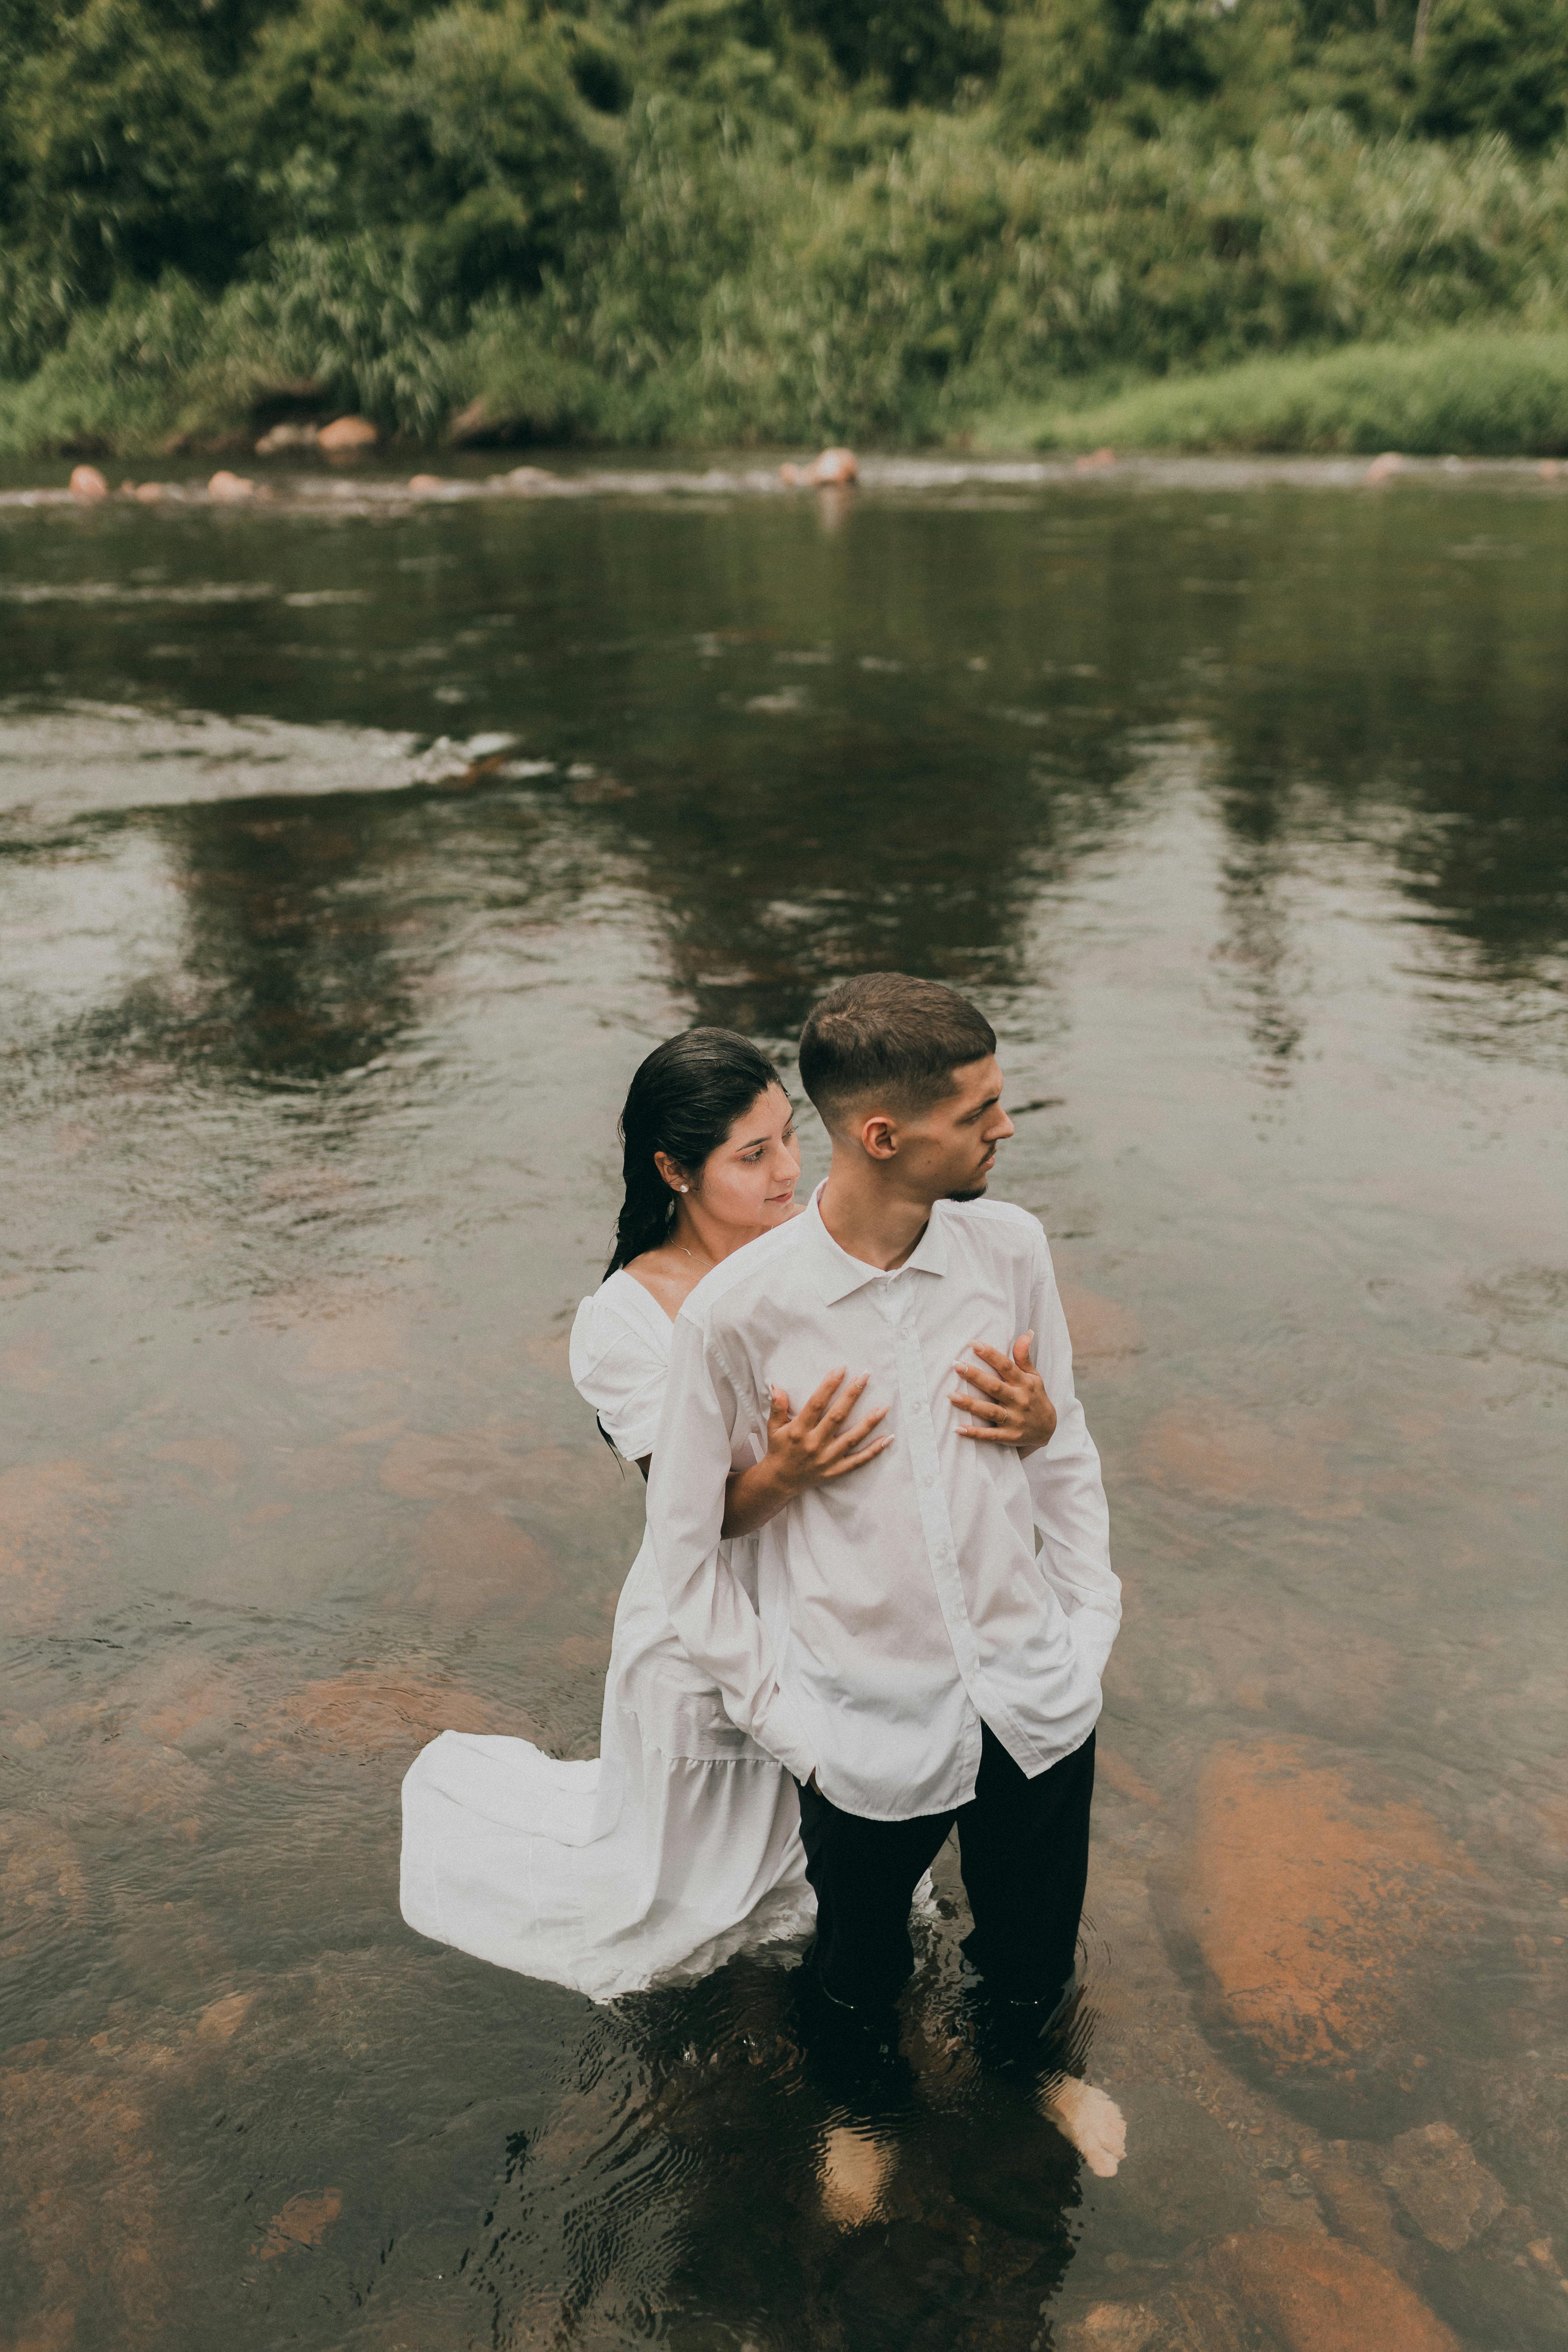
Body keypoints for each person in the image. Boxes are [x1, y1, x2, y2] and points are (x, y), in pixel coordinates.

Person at [400, 1027, 1056, 1999]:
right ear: (674, 1171)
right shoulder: (626, 1323)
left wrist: (1032, 1426)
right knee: (697, 1915)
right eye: (754, 1157)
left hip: (840, 1599)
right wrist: (787, 1471)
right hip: (713, 1609)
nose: (790, 1171)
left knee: (845, 1859)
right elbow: (694, 1522)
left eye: (790, 1138)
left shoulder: (821, 1255)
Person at [645, 974, 1120, 2030]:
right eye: (975, 1112)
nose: (1005, 1128)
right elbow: (681, 1552)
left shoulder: (1014, 1252)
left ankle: (1036, 2086)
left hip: (1034, 1690)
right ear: (882, 1136)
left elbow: (1064, 1444)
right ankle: (858, 2107)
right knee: (861, 1972)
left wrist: (1087, 1628)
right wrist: (791, 1723)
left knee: (1035, 1955)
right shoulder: (737, 1314)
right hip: (864, 1722)